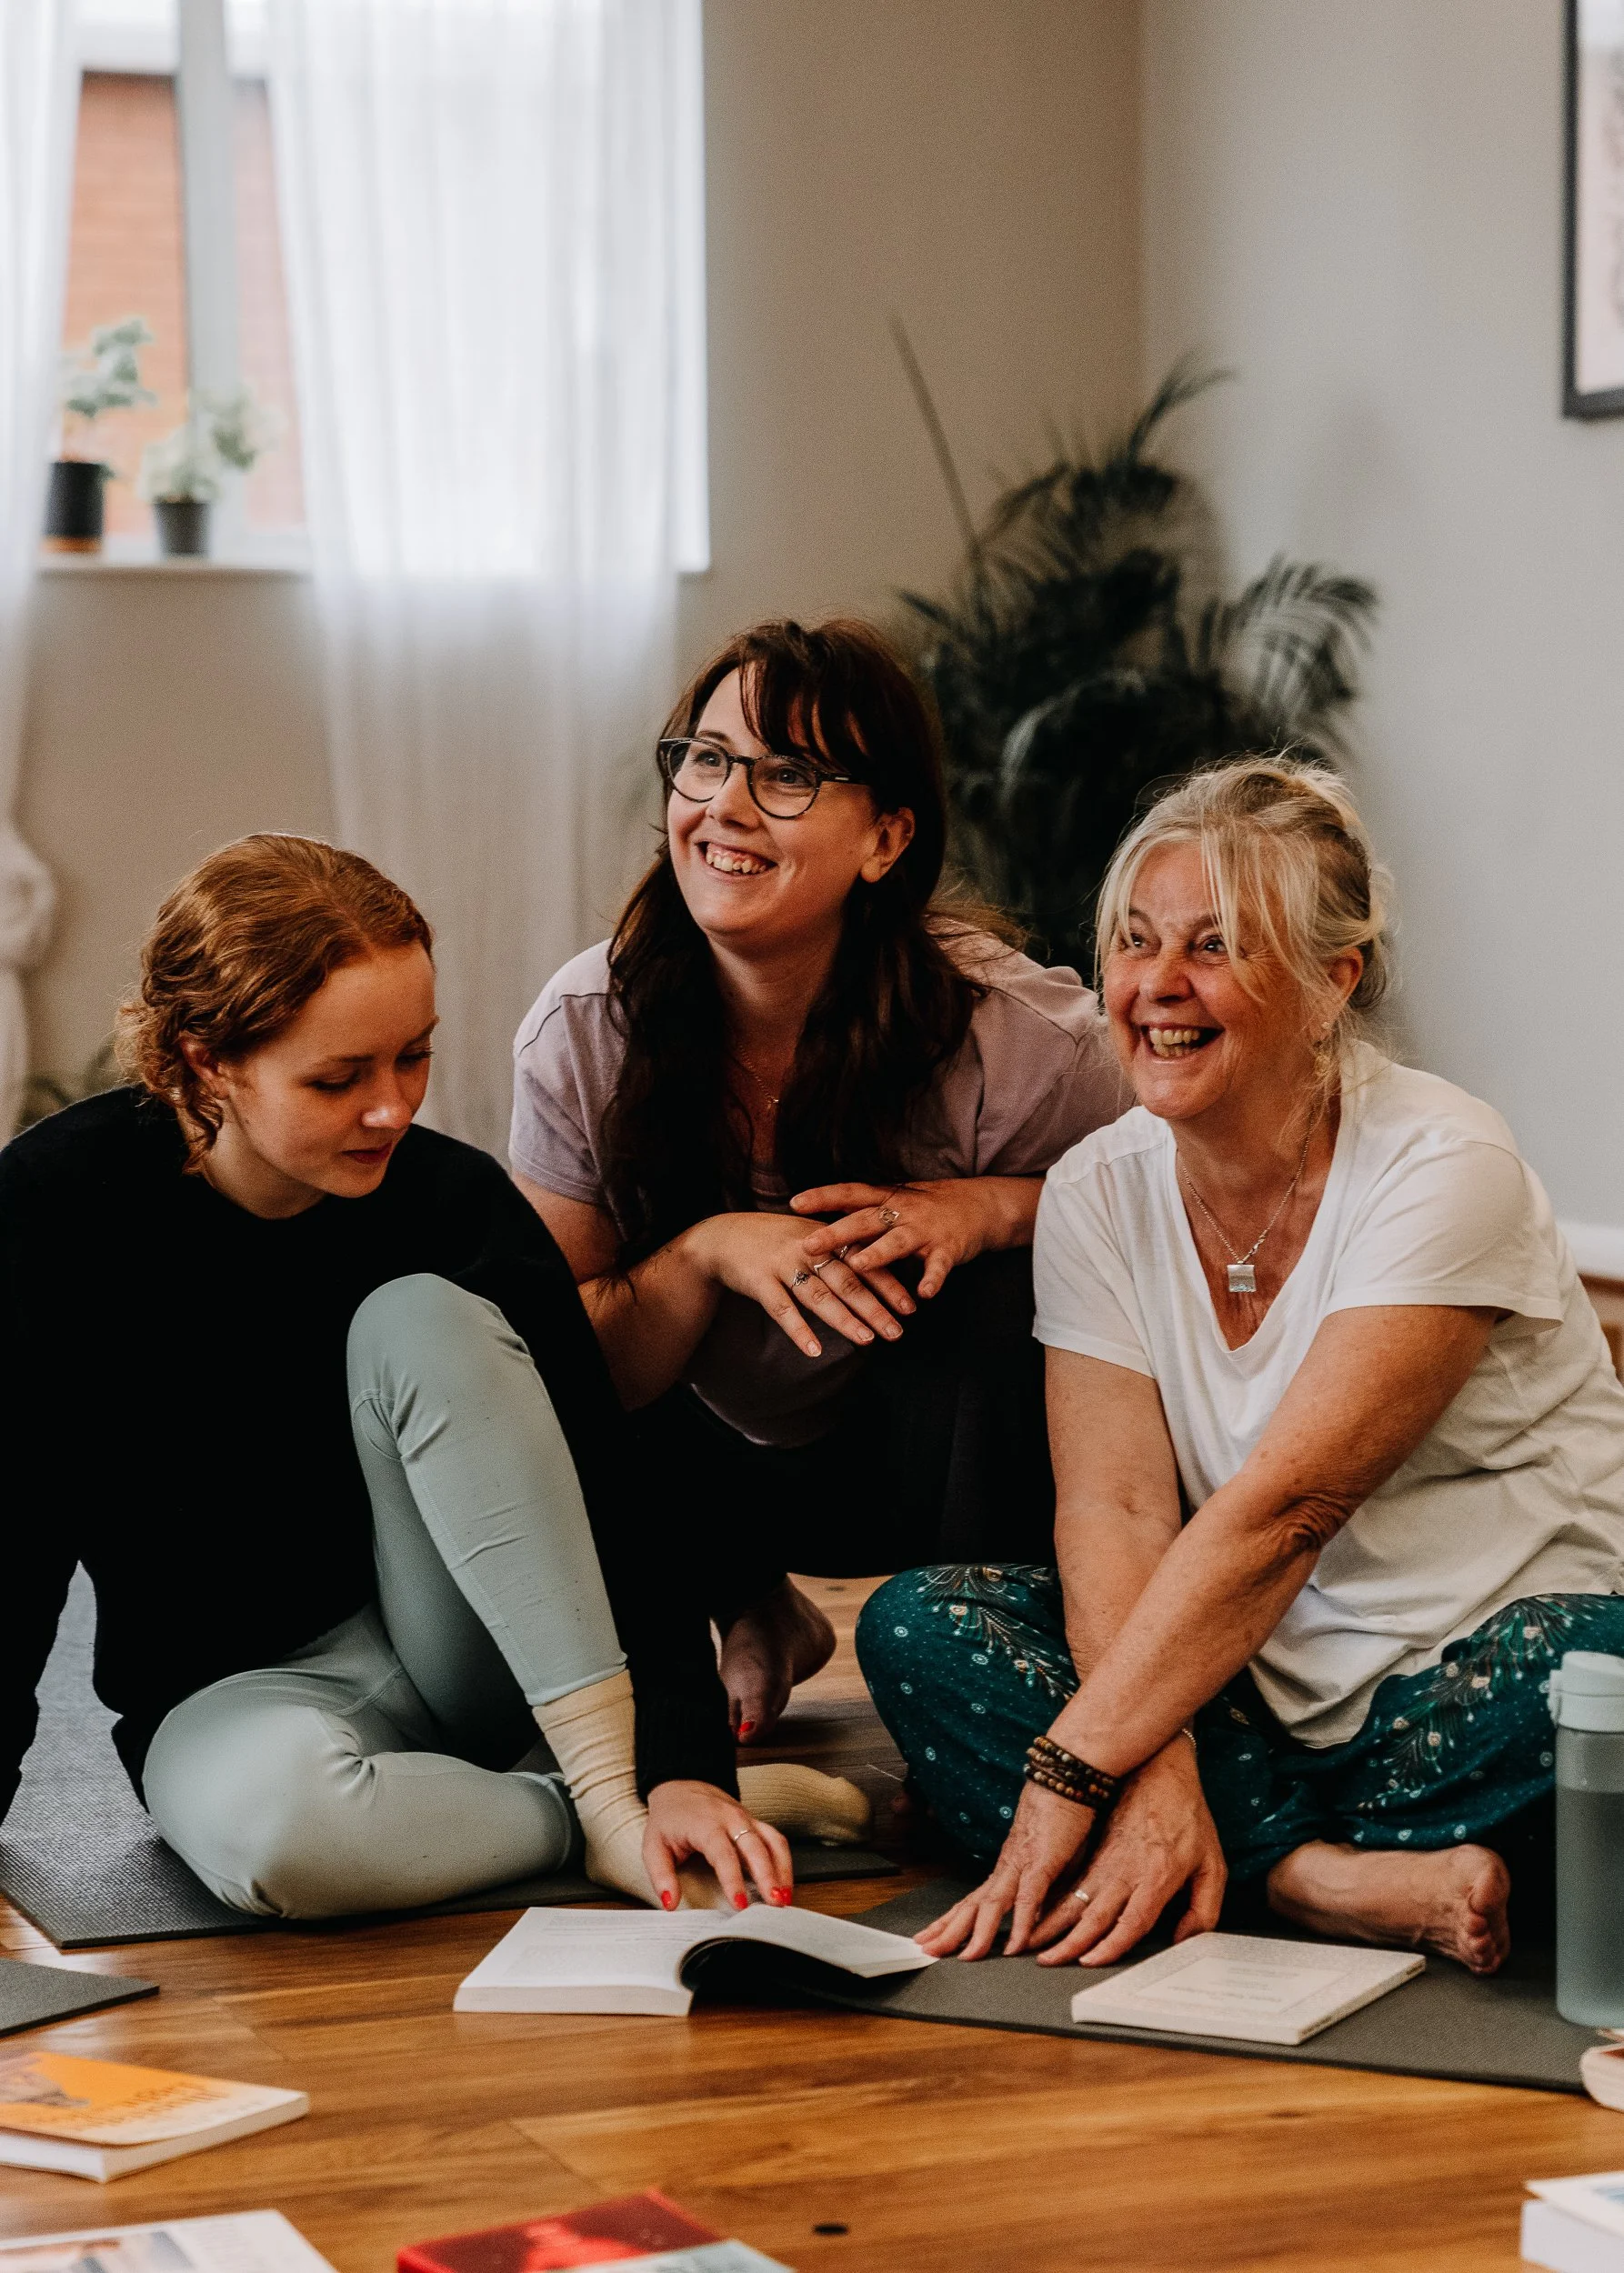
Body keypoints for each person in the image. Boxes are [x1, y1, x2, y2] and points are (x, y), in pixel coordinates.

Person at [859, 757, 1624, 1976]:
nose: (1156, 987)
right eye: (1134, 941)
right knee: (920, 1625)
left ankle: (1235, 1858)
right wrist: (1145, 1767)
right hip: (1239, 1678)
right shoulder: (1094, 1192)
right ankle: (1315, 1878)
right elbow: (1111, 1512)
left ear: (1331, 983)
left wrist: (1068, 1767)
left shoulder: (1443, 1163)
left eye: (1214, 948)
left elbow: (1284, 1515)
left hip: (1472, 1676)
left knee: (1600, 1671)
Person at [0, 834, 801, 1920]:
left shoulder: (454, 1204)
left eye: (411, 1057)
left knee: (418, 1314)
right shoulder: (54, 1209)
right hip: (231, 1696)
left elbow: (611, 1487)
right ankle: (581, 1813)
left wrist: (680, 1763)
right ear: (205, 1060)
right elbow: (13, 1536)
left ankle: (616, 1796)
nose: (392, 1108)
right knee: (282, 1840)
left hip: (474, 1646)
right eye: (338, 1078)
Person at [511, 617, 1125, 1740]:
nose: (726, 806)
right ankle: (752, 1605)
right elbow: (564, 1358)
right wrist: (704, 1253)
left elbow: (1178, 1210)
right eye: (707, 758)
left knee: (1015, 1284)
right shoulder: (585, 1026)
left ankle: (972, 1699)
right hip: (702, 1475)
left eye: (787, 774)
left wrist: (991, 1207)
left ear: (887, 838)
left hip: (915, 1464)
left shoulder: (1021, 1037)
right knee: (537, 1341)